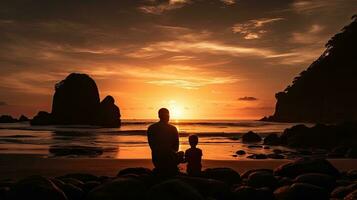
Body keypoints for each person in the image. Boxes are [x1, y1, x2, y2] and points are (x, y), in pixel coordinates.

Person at [147, 108, 180, 176]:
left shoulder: (151, 128)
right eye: (168, 115)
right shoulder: (173, 128)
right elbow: (176, 147)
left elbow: (151, 146)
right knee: (181, 154)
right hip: (169, 159)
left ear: (159, 116)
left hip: (156, 160)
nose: (168, 117)